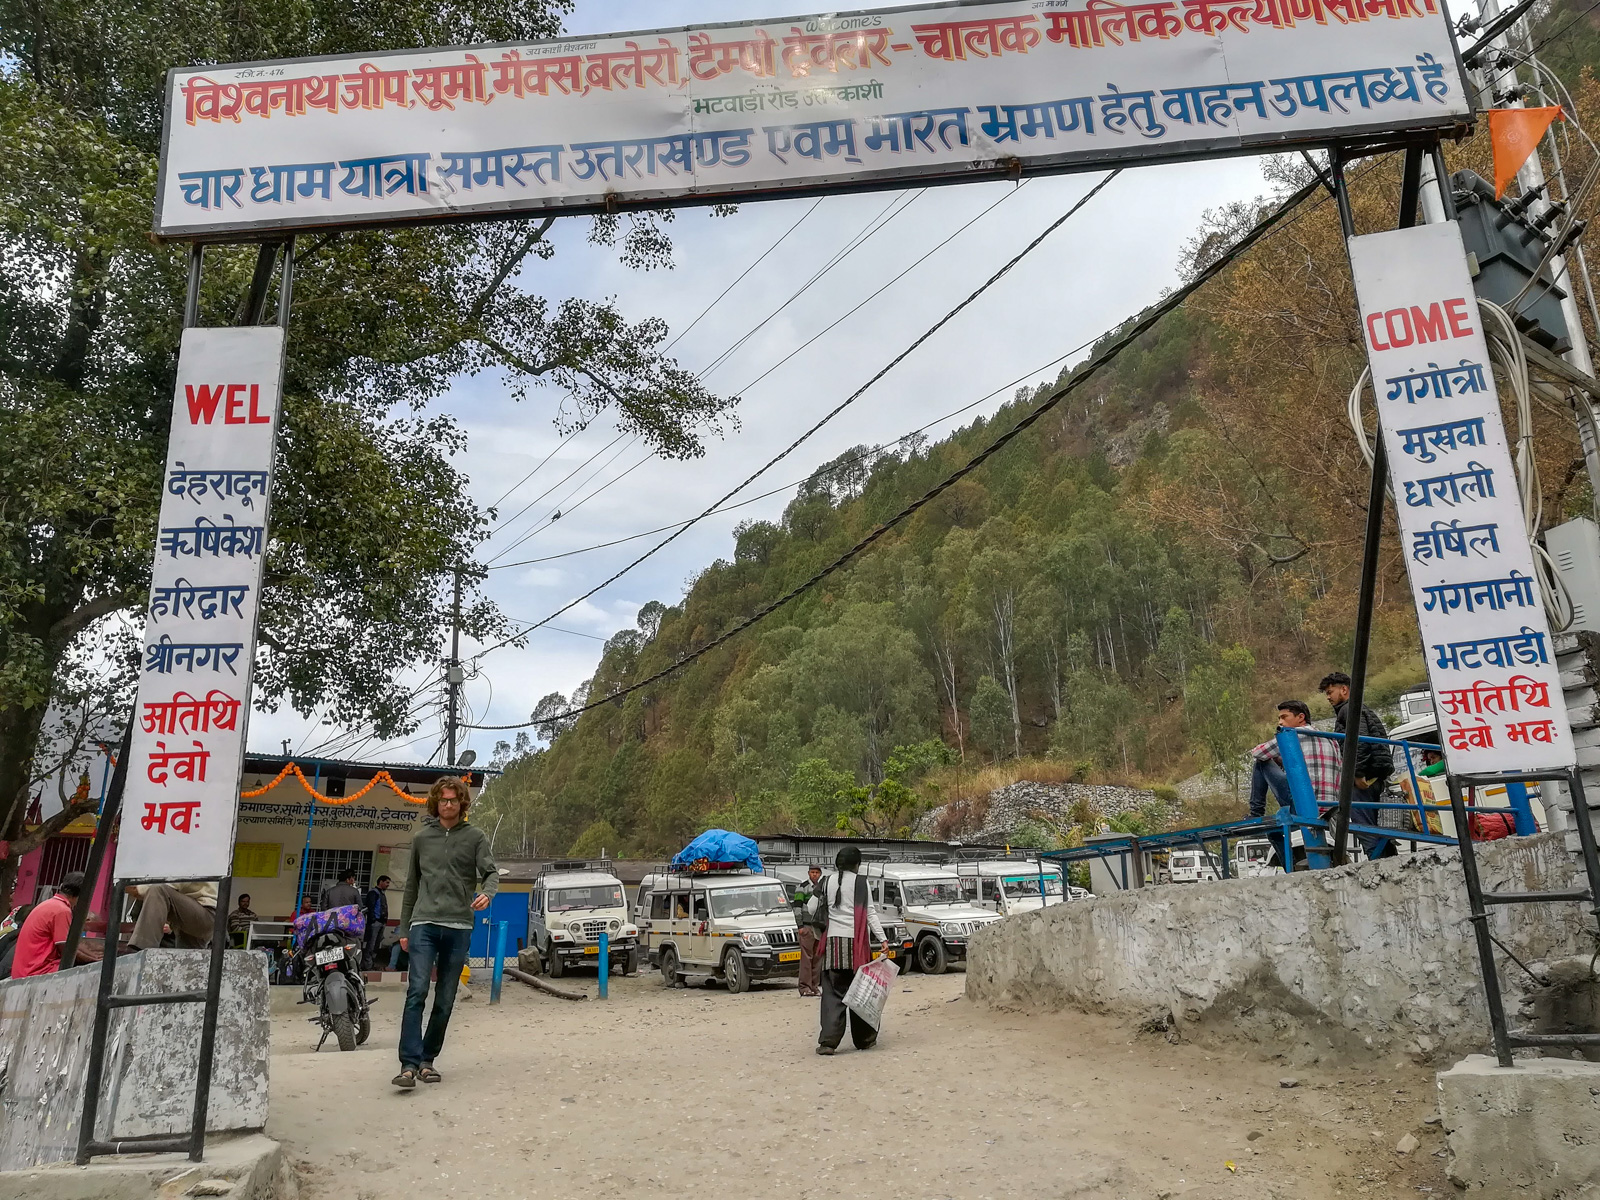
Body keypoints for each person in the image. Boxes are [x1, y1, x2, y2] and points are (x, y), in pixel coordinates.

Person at [393, 777, 496, 1090]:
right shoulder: (422, 838)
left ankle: (428, 1061)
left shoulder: (475, 837)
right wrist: (404, 927)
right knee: (417, 991)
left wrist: (488, 893)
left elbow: (490, 873)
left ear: (462, 803)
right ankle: (408, 1065)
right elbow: (411, 885)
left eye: (453, 800)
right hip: (423, 923)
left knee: (446, 998)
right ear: (435, 802)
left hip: (459, 925)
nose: (448, 804)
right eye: (443, 800)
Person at [810, 846, 887, 1056]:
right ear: (857, 864)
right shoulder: (862, 883)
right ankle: (864, 1039)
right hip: (856, 948)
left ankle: (828, 1042)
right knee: (860, 994)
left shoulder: (825, 881)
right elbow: (870, 914)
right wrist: (883, 939)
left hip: (833, 946)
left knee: (832, 995)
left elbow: (810, 907)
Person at [1319, 671, 1395, 856]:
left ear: (1344, 689)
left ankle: (1378, 864)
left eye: (1330, 692)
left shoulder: (1349, 710)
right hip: (1374, 775)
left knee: (1365, 827)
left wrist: (1357, 773)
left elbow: (1359, 741)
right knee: (1375, 827)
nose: (1328, 697)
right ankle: (1388, 859)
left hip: (1364, 779)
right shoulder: (1360, 708)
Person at [12, 873, 93, 977]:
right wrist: (95, 959)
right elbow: (68, 951)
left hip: (24, 969)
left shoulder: (49, 904)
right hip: (36, 971)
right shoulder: (62, 910)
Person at [1248, 700, 1315, 818]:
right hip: (1330, 805)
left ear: (1301, 717)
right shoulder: (1328, 738)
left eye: (1284, 717)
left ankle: (1255, 814)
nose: (1280, 723)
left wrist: (1275, 756)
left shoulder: (1292, 735)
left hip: (1304, 804)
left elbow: (1257, 753)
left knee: (1261, 761)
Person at [128, 880, 217, 950]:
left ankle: (144, 947)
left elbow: (173, 881)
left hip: (205, 914)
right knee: (186, 965)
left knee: (158, 890)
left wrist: (137, 888)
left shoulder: (189, 859)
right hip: (189, 917)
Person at [791, 864, 826, 998]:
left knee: (817, 958)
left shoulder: (822, 888)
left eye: (817, 872)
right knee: (806, 958)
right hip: (807, 926)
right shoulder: (803, 887)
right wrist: (800, 926)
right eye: (812, 872)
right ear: (808, 873)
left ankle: (814, 986)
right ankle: (804, 987)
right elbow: (797, 907)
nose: (814, 875)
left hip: (819, 927)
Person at [363, 875, 391, 969]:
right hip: (375, 923)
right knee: (371, 944)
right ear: (381, 882)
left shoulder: (381, 893)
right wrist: (373, 920)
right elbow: (370, 908)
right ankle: (367, 965)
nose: (388, 885)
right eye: (387, 882)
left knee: (376, 945)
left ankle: (372, 963)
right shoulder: (373, 893)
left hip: (381, 923)